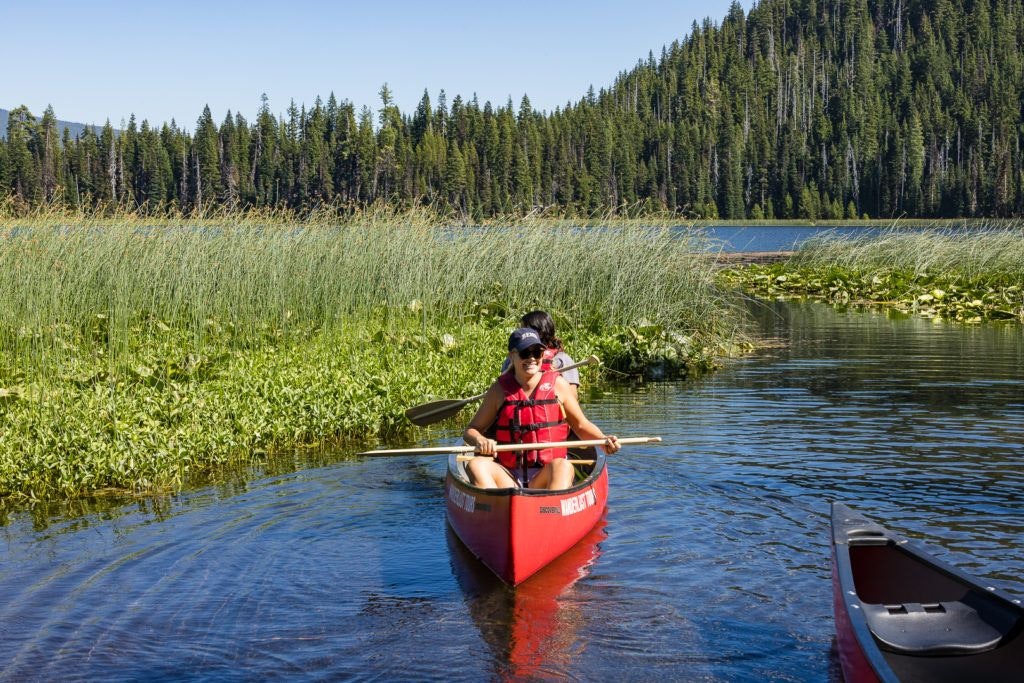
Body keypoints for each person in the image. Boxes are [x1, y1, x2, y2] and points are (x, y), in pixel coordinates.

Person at [464, 327, 619, 490]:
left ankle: (551, 509)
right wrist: (480, 440)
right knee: (477, 465)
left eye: (537, 352)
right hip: (508, 477)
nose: (531, 358)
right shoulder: (499, 390)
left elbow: (580, 425)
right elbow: (471, 430)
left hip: (545, 477)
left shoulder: (558, 384)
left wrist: (603, 440)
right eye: (525, 353)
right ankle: (498, 508)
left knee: (563, 467)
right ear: (512, 356)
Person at [500, 310, 579, 397]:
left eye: (524, 329)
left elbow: (572, 396)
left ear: (540, 333)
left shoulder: (562, 360)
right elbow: (503, 388)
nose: (521, 332)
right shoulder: (512, 359)